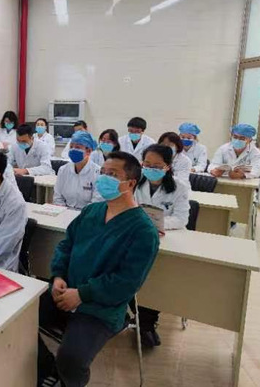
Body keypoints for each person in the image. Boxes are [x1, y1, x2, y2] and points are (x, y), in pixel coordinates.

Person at [38, 152, 159, 387]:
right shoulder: (91, 211)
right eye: (102, 172)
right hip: (65, 290)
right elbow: (66, 245)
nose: (104, 178)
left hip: (101, 307)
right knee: (18, 319)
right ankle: (47, 370)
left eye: (112, 174)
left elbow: (126, 282)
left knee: (71, 359)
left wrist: (81, 294)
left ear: (130, 183)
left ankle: (68, 380)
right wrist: (58, 276)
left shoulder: (143, 231)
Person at [134, 144, 190, 348]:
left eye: (157, 166)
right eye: (147, 164)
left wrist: (157, 225)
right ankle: (135, 314)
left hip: (166, 239)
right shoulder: (135, 182)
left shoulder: (179, 187)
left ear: (167, 166)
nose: (151, 168)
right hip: (137, 235)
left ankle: (147, 323)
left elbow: (181, 219)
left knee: (156, 278)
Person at [53, 131, 102, 210]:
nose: (73, 150)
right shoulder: (63, 170)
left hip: (86, 214)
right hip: (64, 212)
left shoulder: (98, 173)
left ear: (88, 151)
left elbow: (96, 202)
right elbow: (58, 197)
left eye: (77, 147)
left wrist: (81, 215)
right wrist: (64, 212)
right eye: (71, 147)